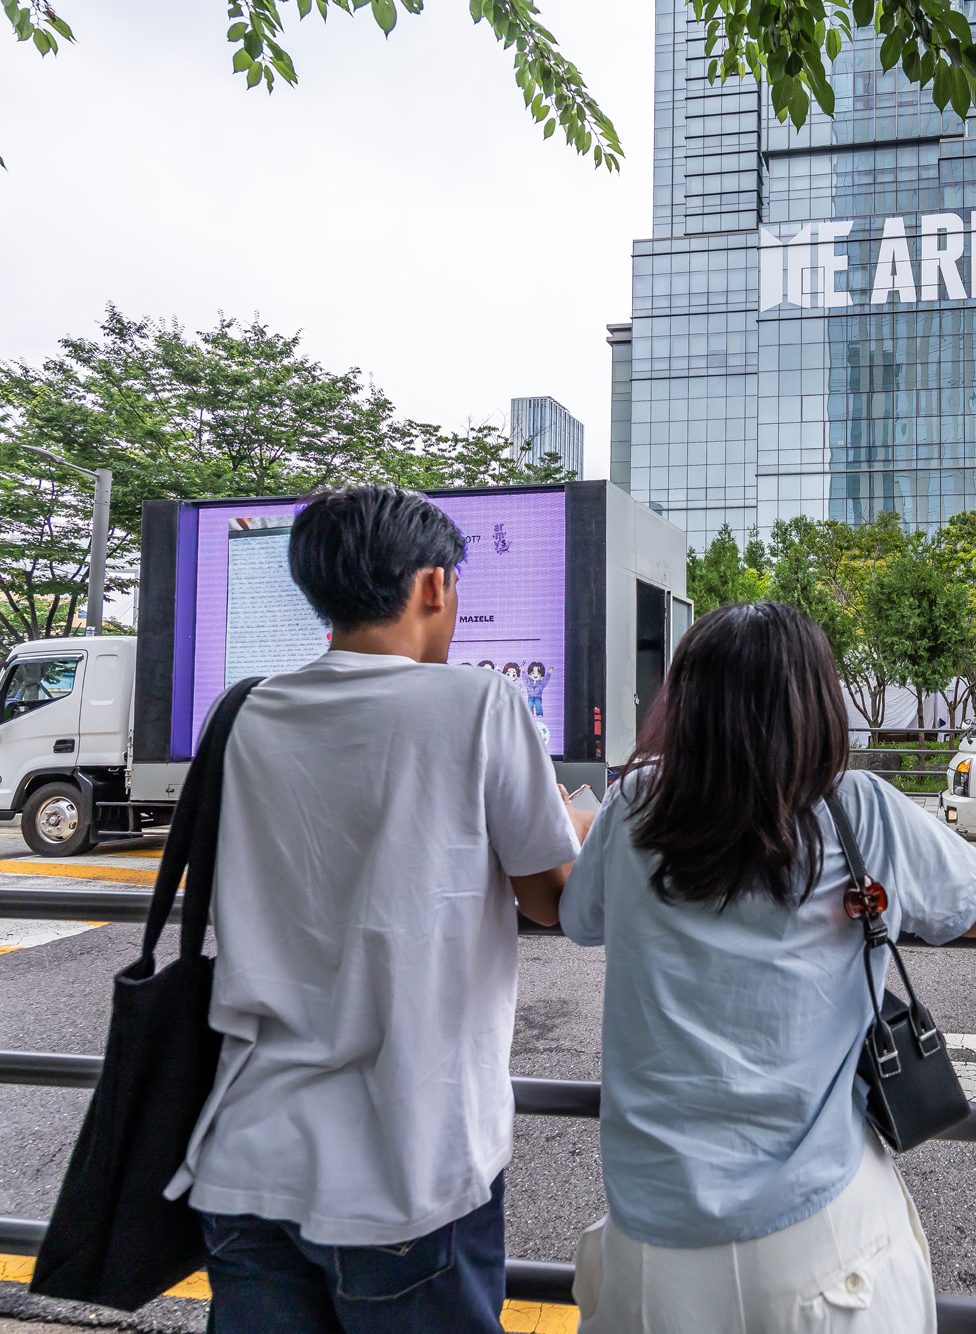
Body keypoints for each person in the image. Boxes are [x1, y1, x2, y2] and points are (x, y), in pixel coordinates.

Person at [166, 487, 594, 1334]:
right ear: (434, 584)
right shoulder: (481, 703)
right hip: (408, 1169)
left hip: (247, 1157)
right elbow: (550, 900)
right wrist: (571, 827)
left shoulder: (244, 711)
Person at [556, 602, 976, 1334]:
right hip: (822, 1248)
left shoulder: (635, 804)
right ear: (815, 702)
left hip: (653, 1252)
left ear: (685, 705)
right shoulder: (859, 808)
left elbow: (579, 918)